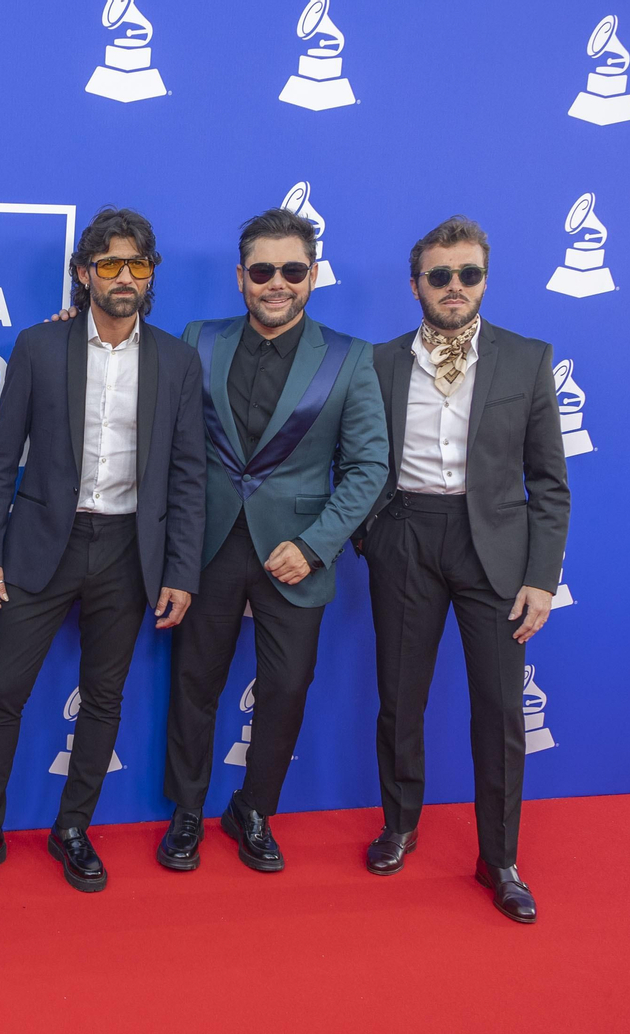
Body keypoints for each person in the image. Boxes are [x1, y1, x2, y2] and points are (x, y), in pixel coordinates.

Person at [0, 207, 206, 895]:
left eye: (136, 265)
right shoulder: (39, 347)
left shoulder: (177, 360)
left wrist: (181, 569)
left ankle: (73, 829)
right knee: (3, 694)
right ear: (84, 274)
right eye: (107, 264)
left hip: (128, 550)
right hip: (39, 547)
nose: (122, 278)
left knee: (105, 697)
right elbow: (0, 462)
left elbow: (188, 476)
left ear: (151, 276)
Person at [160, 208, 388, 874]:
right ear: (241, 278)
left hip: (296, 553)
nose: (276, 283)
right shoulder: (197, 340)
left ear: (312, 276)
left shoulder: (348, 358)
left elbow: (369, 466)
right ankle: (185, 813)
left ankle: (253, 810)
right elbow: (148, 399)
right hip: (206, 545)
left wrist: (316, 544)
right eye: (263, 271)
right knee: (193, 684)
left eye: (292, 270)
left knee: (286, 687)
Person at [356, 217, 568, 923]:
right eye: (440, 276)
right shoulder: (378, 362)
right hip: (406, 536)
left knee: (502, 710)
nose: (454, 287)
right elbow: (352, 461)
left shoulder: (527, 359)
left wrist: (541, 576)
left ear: (484, 279)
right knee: (400, 696)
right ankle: (401, 824)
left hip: (495, 552)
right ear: (416, 284)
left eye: (467, 274)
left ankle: (499, 858)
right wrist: (372, 538)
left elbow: (549, 482)